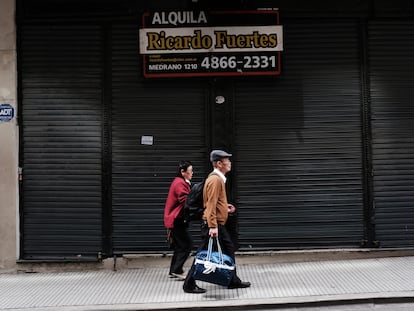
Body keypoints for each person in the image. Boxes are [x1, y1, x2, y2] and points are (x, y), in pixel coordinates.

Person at [183, 150, 251, 293]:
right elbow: (210, 204)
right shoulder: (216, 180)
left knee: (227, 249)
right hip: (214, 225)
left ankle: (232, 280)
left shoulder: (217, 179)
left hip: (216, 224)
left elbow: (215, 202)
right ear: (219, 164)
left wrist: (225, 208)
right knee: (204, 253)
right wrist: (212, 226)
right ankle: (189, 284)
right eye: (227, 160)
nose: (230, 163)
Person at [164, 160, 194, 279]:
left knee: (179, 246)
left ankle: (173, 270)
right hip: (176, 219)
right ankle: (177, 270)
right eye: (190, 171)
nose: (192, 173)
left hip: (175, 219)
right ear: (183, 172)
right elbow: (186, 200)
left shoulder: (180, 182)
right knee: (187, 245)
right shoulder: (180, 183)